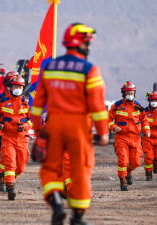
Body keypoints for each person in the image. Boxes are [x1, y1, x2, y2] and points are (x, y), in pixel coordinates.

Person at [31, 23, 109, 225]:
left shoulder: (49, 67)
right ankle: (77, 217)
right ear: (79, 43)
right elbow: (98, 107)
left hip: (53, 124)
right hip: (79, 127)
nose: (88, 47)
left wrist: (38, 129)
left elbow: (38, 103)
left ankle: (56, 203)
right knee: (80, 171)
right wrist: (102, 133)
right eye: (87, 42)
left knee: (50, 168)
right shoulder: (89, 70)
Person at [0, 75, 32, 200]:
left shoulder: (26, 102)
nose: (17, 89)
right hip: (7, 137)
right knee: (9, 162)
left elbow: (31, 120)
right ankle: (10, 187)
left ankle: (10, 178)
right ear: (10, 87)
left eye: (19, 87)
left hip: (22, 138)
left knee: (21, 166)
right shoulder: (1, 100)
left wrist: (25, 126)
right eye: (15, 86)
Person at [108, 81, 150, 190]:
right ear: (123, 93)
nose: (129, 95)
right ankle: (122, 181)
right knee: (123, 160)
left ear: (134, 93)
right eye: (127, 93)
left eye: (131, 93)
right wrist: (113, 127)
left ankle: (128, 172)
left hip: (135, 138)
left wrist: (146, 130)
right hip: (121, 138)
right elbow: (107, 120)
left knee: (136, 162)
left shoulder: (139, 107)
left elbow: (144, 120)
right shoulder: (116, 106)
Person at [0, 71, 17, 192]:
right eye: (13, 82)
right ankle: (3, 181)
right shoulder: (0, 99)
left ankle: (10, 179)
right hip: (4, 132)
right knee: (5, 158)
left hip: (19, 135)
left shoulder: (22, 99)